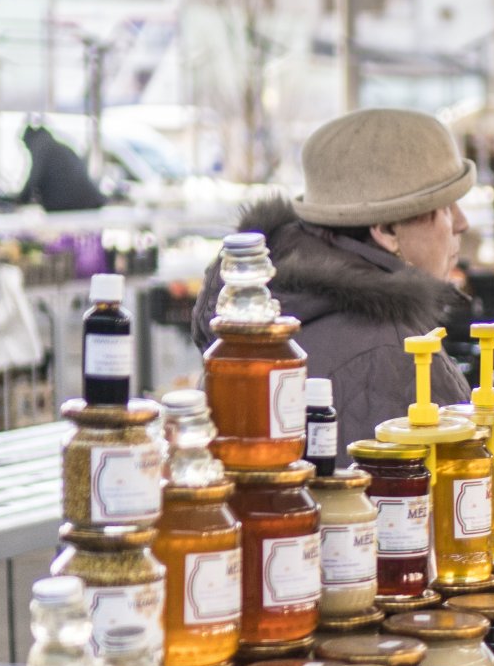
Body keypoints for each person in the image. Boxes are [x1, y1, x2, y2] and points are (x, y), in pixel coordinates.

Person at [192, 108, 472, 459]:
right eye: (445, 208)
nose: (462, 223)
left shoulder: (264, 313)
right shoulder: (390, 352)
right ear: (386, 231)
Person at [18, 123, 106, 211]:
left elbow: (34, 178)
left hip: (70, 205)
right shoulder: (58, 146)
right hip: (87, 202)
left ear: (29, 140)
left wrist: (20, 200)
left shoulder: (42, 147)